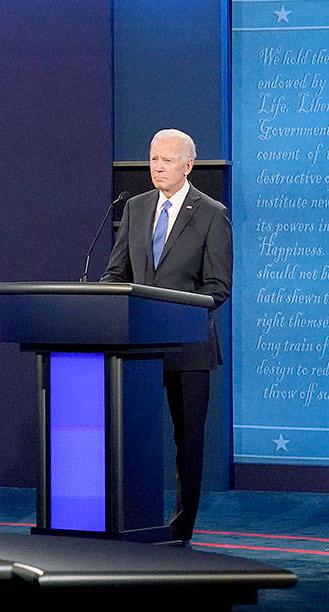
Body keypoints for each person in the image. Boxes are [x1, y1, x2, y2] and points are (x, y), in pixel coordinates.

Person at [101, 128, 232, 545]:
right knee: (129, 437)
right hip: (137, 348)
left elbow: (217, 287)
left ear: (188, 165)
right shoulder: (136, 208)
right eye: (154, 158)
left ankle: (181, 531)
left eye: (168, 160)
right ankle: (130, 519)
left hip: (188, 348)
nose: (157, 166)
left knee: (187, 445)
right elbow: (116, 273)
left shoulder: (211, 213)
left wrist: (170, 310)